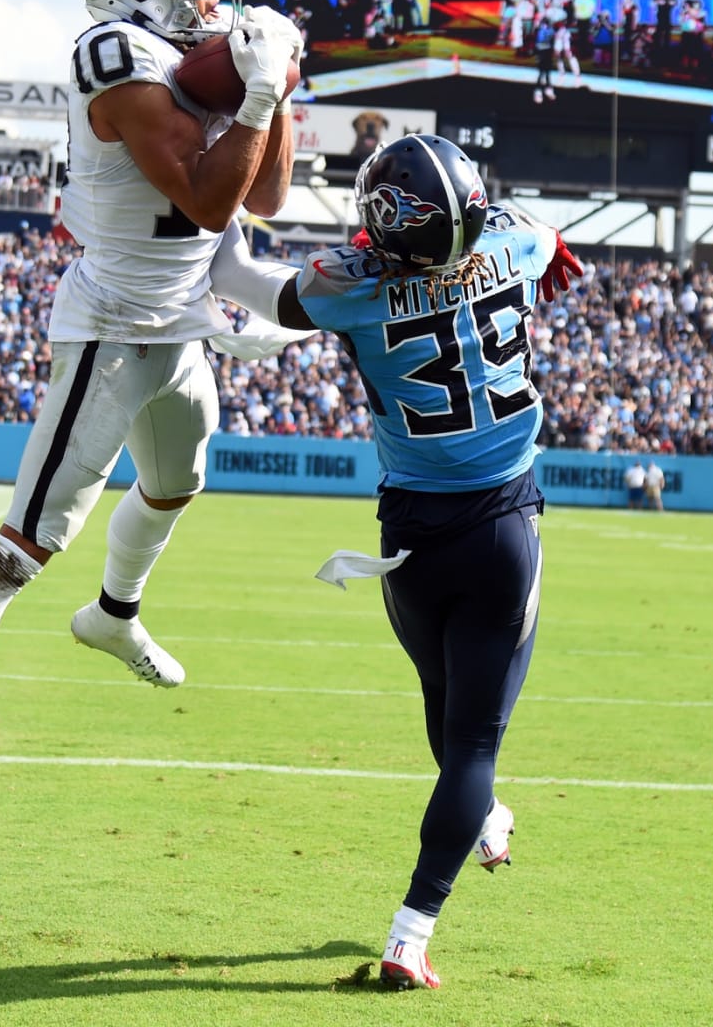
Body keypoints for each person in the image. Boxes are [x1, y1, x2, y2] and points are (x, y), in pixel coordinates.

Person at [0, 0, 304, 858]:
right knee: (21, 548)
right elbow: (205, 189)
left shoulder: (186, 55)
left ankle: (114, 616)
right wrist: (257, 97)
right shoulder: (112, 54)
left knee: (180, 482)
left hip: (181, 316)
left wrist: (283, 84)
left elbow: (263, 193)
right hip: (111, 329)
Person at [209, 133, 583, 989]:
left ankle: (482, 815)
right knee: (473, 742)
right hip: (500, 530)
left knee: (445, 711)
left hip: (409, 536)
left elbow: (246, 284)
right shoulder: (516, 241)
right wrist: (543, 247)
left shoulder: (349, 285)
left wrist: (217, 211)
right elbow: (543, 240)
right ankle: (412, 929)